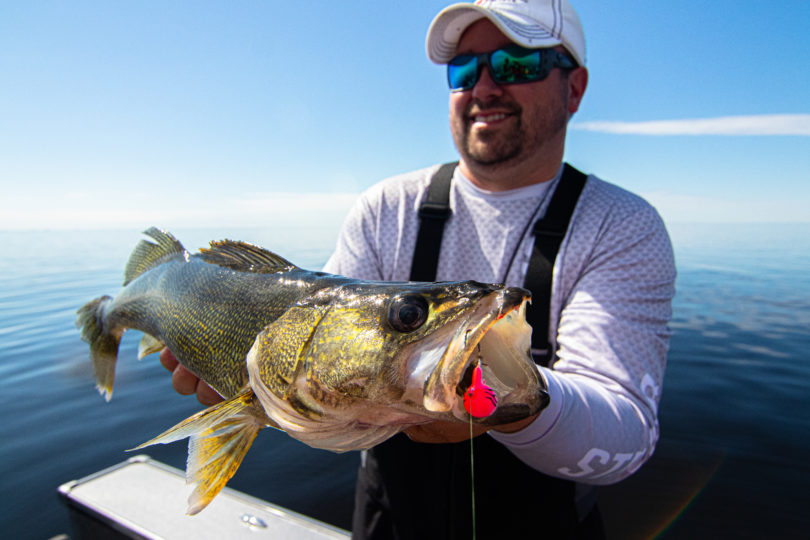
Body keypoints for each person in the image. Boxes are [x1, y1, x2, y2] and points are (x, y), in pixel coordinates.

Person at [162, 1, 676, 538]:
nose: (483, 86)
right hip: (390, 519)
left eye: (516, 63)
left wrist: (507, 394)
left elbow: (624, 439)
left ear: (574, 89)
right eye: (463, 69)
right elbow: (316, 360)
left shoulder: (622, 226)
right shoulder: (386, 207)